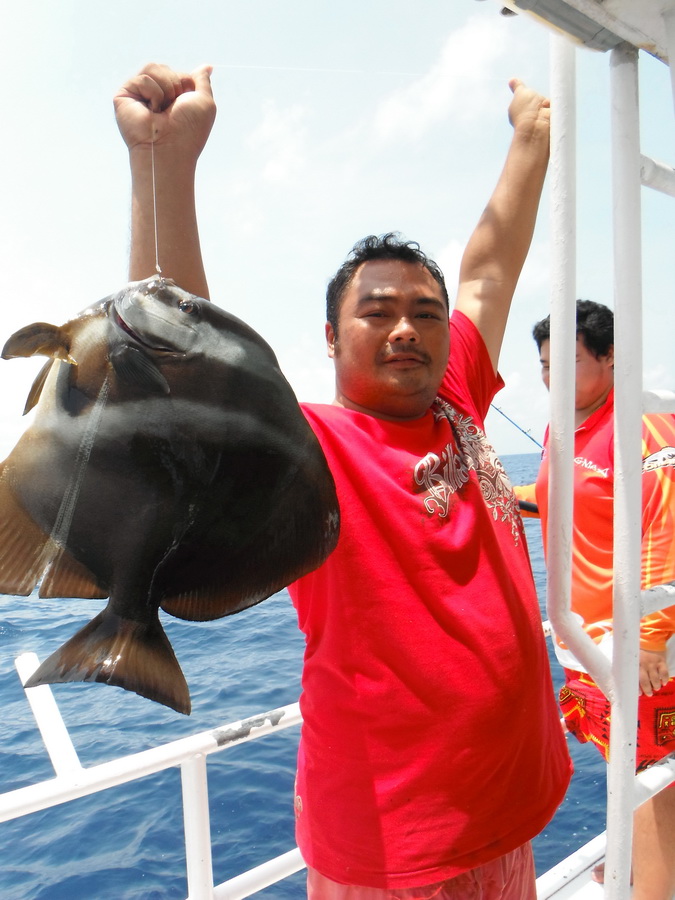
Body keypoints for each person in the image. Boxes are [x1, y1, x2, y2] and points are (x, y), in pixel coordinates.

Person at [114, 63, 572, 899]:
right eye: (377, 312)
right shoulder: (310, 446)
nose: (407, 329)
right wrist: (166, 163)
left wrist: (530, 137)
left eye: (424, 314)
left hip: (509, 812)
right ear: (330, 338)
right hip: (392, 849)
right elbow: (184, 353)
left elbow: (488, 269)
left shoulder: (456, 397)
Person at [517, 300, 675, 900]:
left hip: (637, 647)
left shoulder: (645, 423)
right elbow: (576, 499)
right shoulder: (565, 422)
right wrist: (512, 492)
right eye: (545, 365)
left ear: (611, 358)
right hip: (587, 643)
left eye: (570, 361)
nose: (553, 377)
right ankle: (634, 865)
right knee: (626, 767)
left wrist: (654, 635)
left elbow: (667, 526)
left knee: (655, 781)